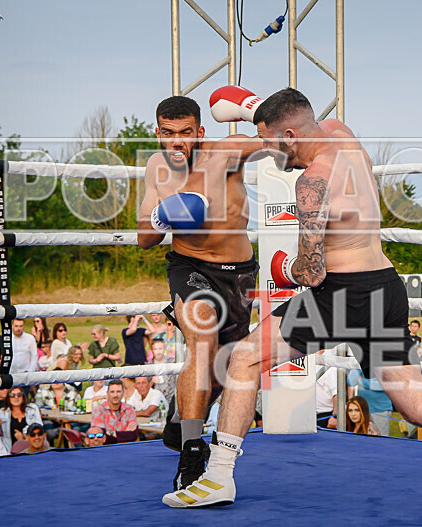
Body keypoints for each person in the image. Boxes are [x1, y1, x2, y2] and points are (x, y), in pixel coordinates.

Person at [162, 87, 422, 513]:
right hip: (385, 288)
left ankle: (218, 477)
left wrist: (281, 267)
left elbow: (312, 273)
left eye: (273, 143)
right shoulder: (342, 135)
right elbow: (302, 121)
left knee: (242, 359)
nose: (270, 154)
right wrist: (253, 110)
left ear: (293, 135)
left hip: (343, 294)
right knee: (415, 404)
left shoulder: (312, 184)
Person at [136, 94, 264, 489]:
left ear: (200, 132)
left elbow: (277, 137)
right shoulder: (157, 168)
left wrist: (251, 109)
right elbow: (144, 238)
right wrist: (162, 216)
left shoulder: (226, 151)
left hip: (238, 272)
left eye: (186, 133)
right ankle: (193, 453)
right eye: (169, 133)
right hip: (189, 266)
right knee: (202, 337)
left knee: (227, 366)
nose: (177, 142)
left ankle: (181, 416)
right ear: (158, 133)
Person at [0, 387, 42, 453]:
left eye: (19, 395)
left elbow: (39, 428)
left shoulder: (32, 409)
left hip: (32, 448)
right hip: (9, 450)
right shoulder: (1, 413)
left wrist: (23, 438)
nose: (16, 397)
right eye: (12, 395)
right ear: (8, 397)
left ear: (23, 396)